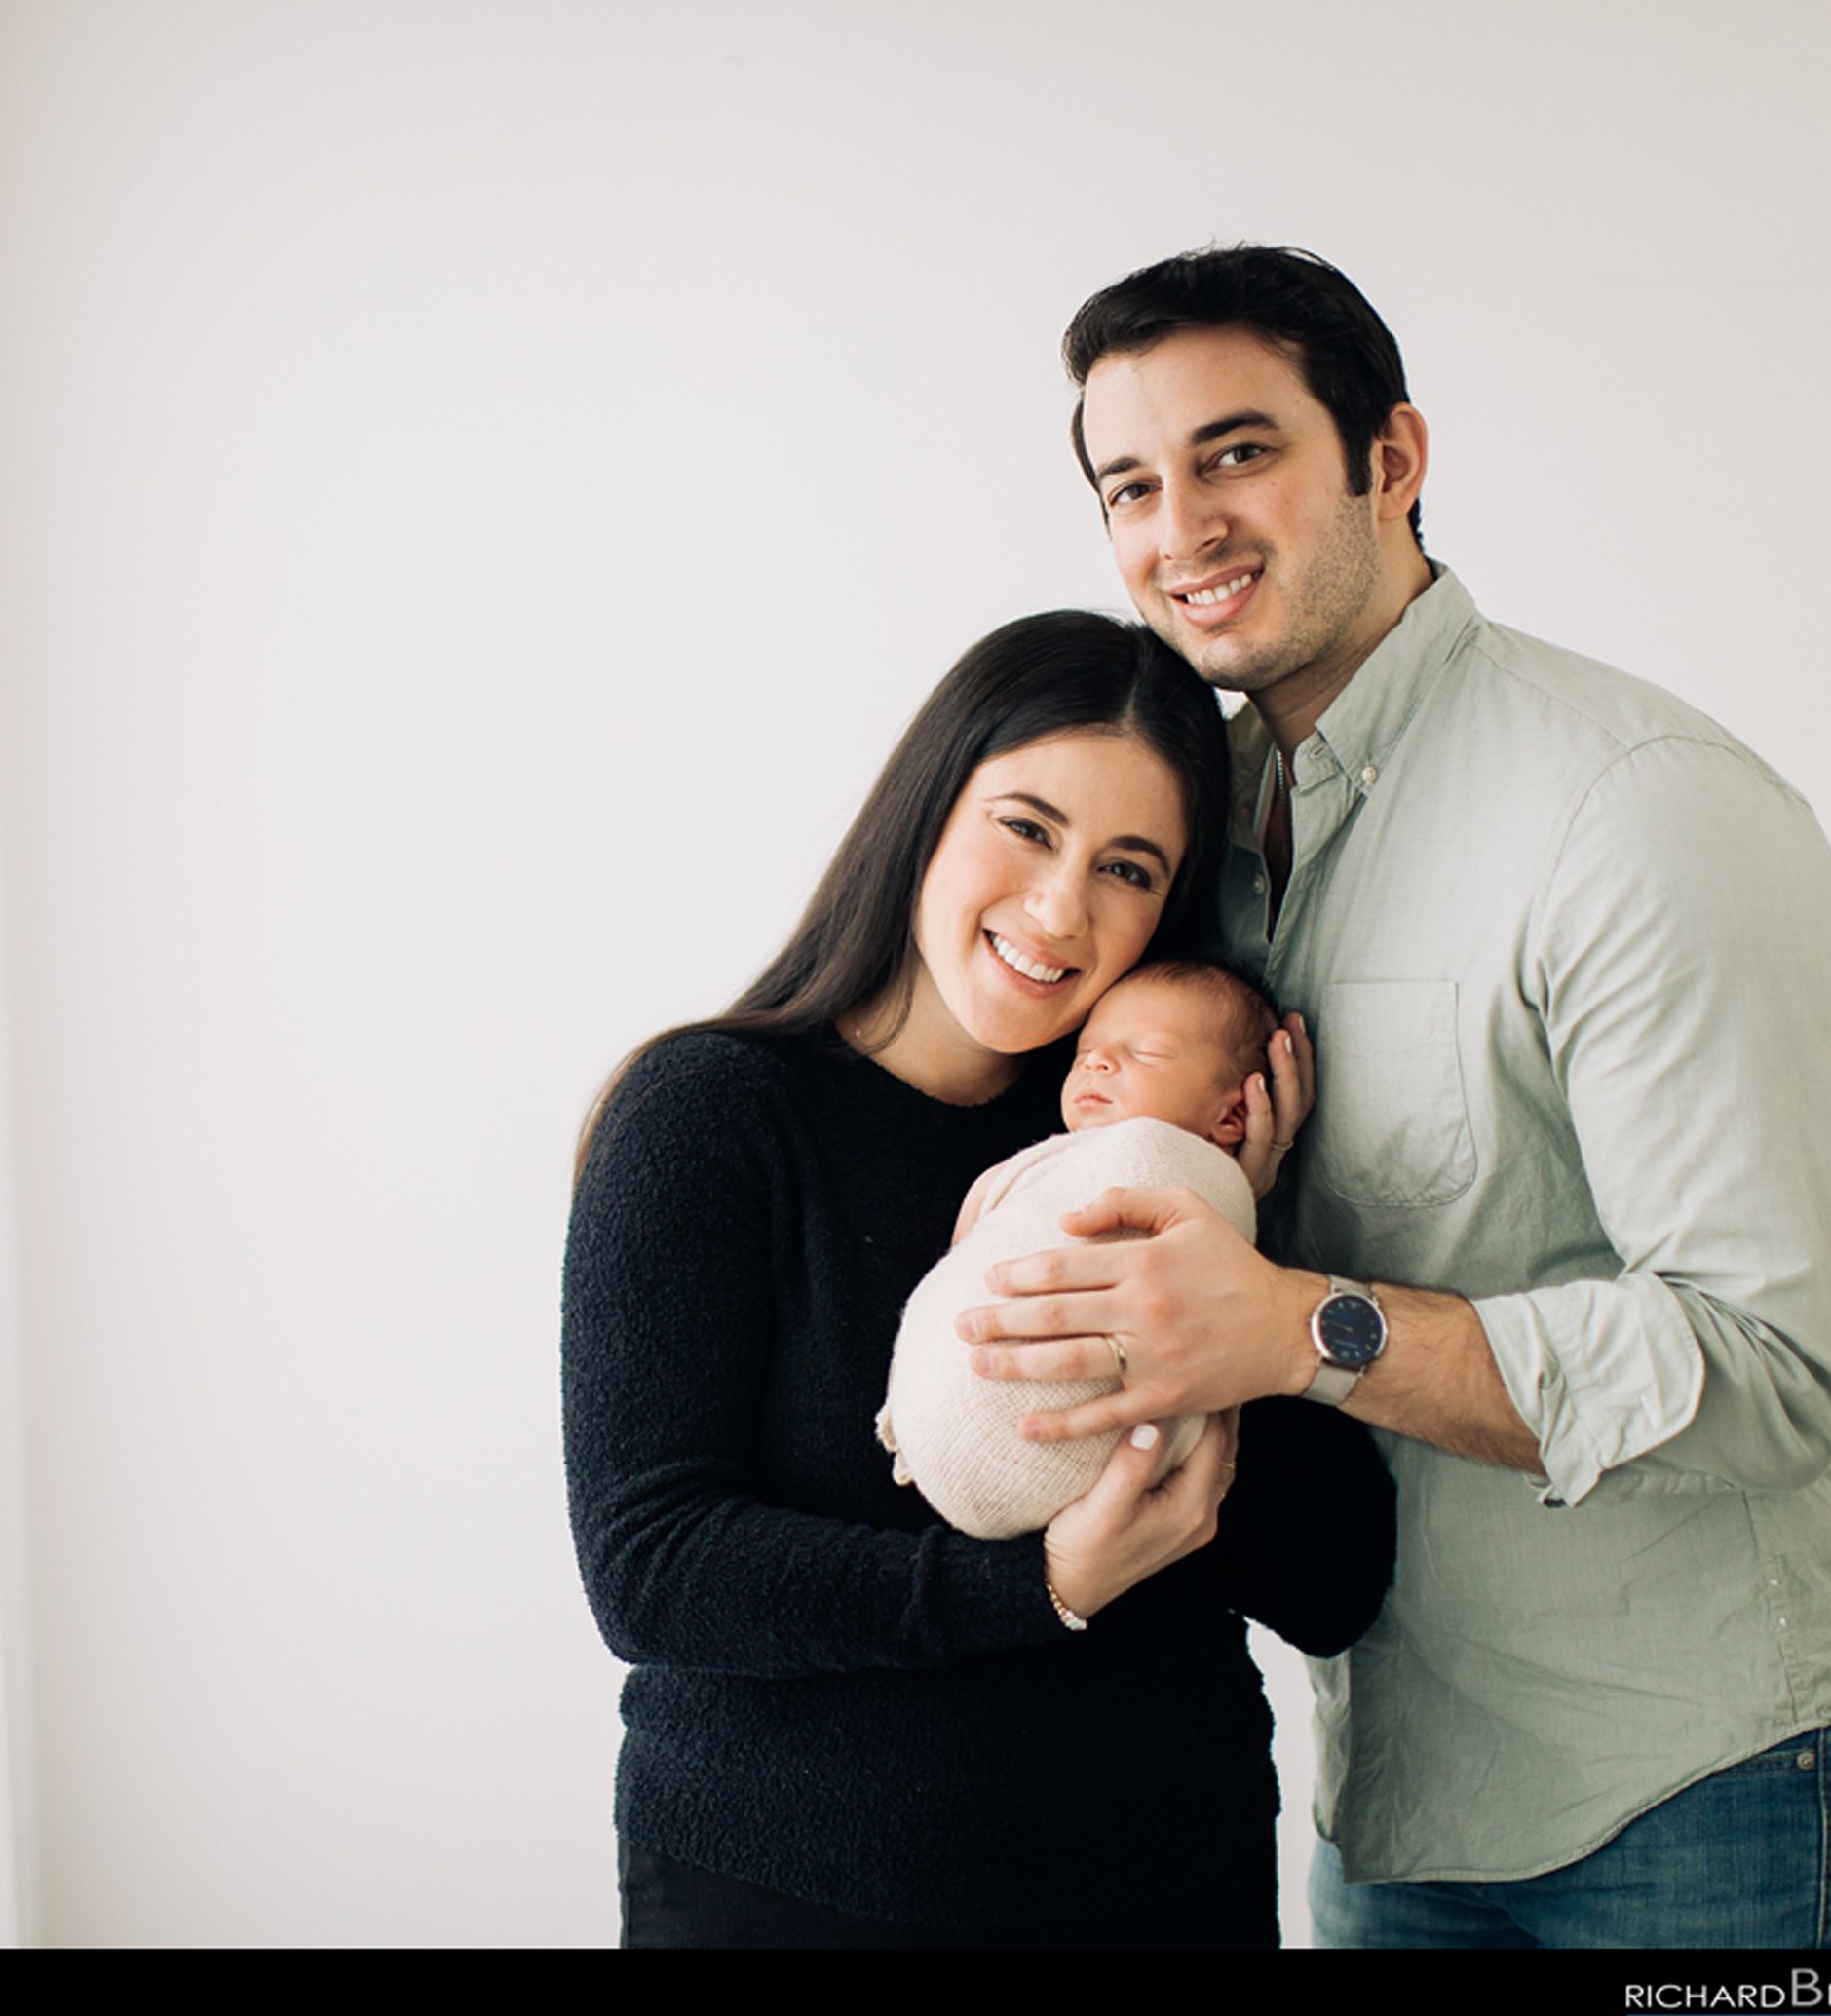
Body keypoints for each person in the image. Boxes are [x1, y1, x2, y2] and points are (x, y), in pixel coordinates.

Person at [962, 245, 1831, 1948]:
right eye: (1131, 484)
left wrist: (1300, 1326)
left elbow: (1774, 1369)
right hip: (1399, 1793)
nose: (1180, 529)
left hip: (1725, 1783)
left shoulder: (1633, 807)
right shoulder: (1190, 844)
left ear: (1392, 459)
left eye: (1236, 453)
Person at [562, 612, 1394, 1948]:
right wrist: (1041, 1584)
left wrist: (1237, 1242)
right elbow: (652, 1569)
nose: (1063, 908)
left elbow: (1335, 1580)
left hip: (1165, 1881)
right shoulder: (712, 1116)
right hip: (798, 1895)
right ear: (929, 809)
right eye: (1027, 827)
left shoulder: (1133, 1169)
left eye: (1127, 868)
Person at [881, 960, 1286, 1539]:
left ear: (1234, 1114)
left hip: (1059, 1463)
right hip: (965, 1426)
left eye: (1145, 1052)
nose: (1098, 1061)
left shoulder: (1167, 1168)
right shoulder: (1062, 1163)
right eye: (1086, 1051)